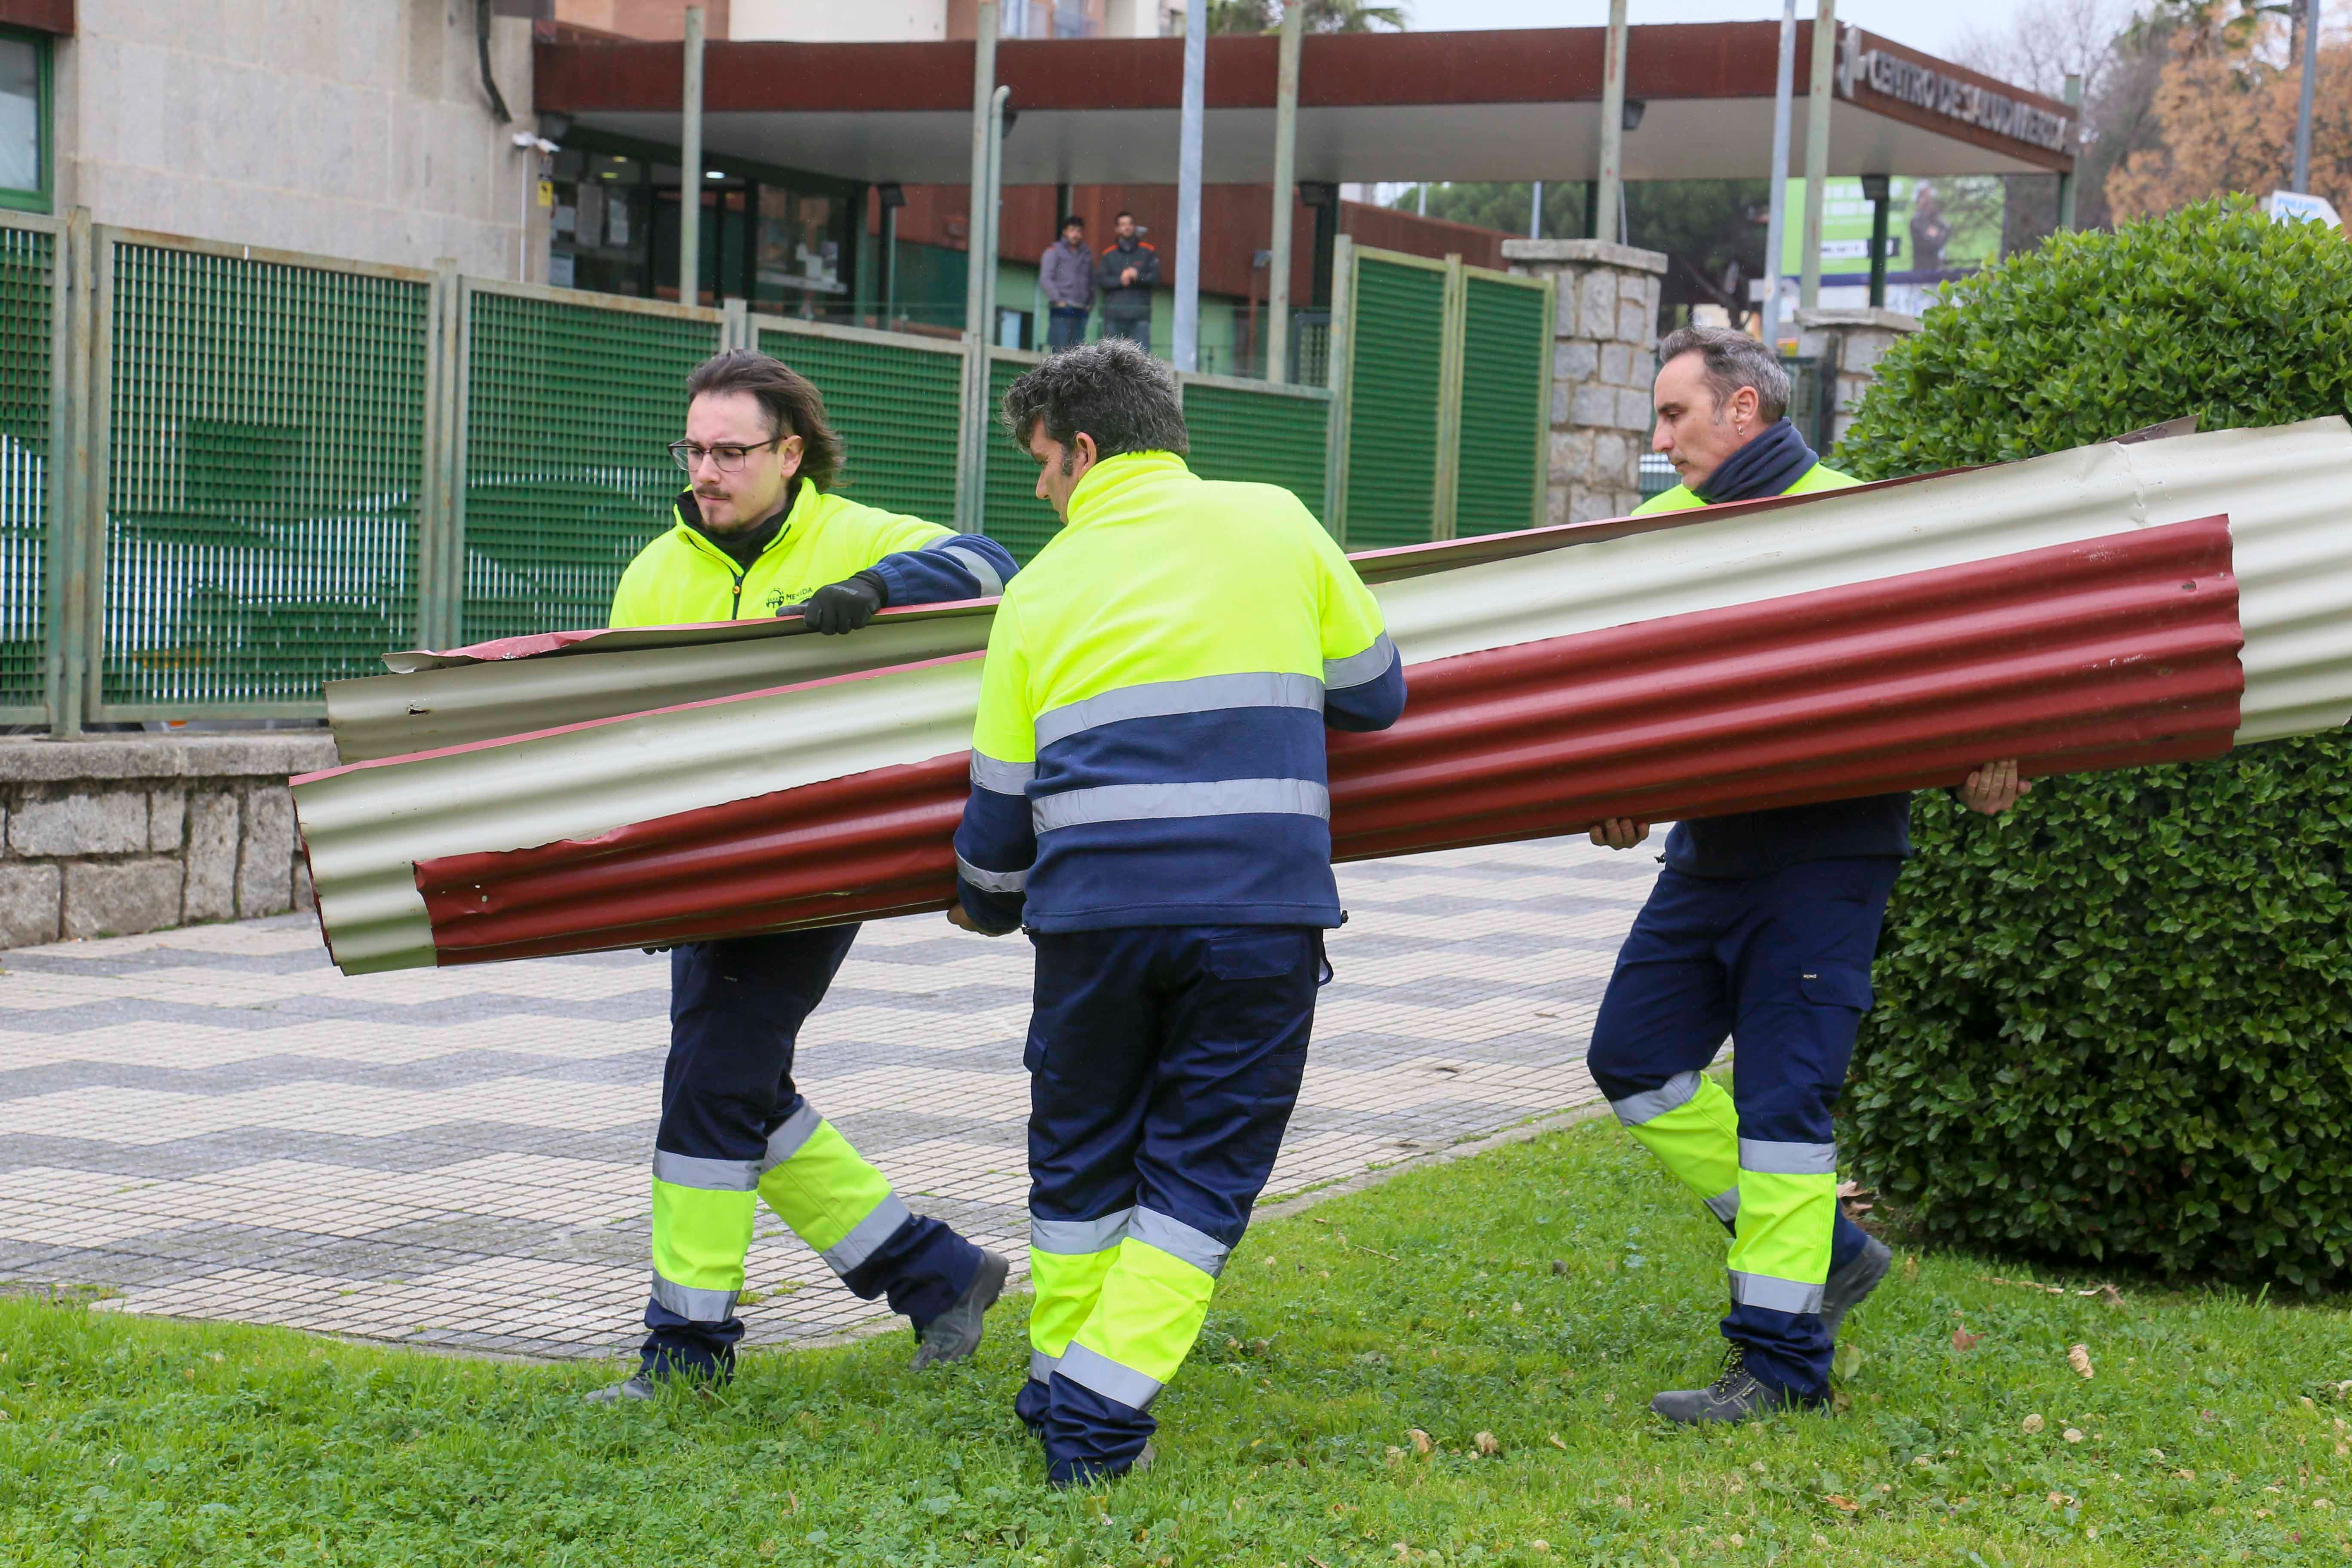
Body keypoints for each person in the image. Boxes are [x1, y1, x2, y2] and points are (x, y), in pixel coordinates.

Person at [948, 338, 1405, 1485]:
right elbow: (1378, 695)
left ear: (1087, 450)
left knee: (1081, 1160)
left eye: (1045, 468)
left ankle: (1065, 1383)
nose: (1043, 491)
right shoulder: (1276, 520)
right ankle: (1097, 1414)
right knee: (1201, 1173)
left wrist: (987, 904)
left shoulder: (1040, 589)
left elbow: (1000, 798)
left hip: (1093, 923)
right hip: (1258, 914)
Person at [1586, 325, 2029, 1424]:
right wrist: (1612, 787)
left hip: (1829, 857)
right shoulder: (1657, 532)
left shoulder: (1857, 518)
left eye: (1674, 415)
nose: (1659, 438)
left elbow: (1958, 656)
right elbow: (1628, 694)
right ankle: (1825, 1250)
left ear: (1743, 411)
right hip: (1710, 852)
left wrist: (1988, 750)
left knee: (1783, 1106)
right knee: (1633, 1057)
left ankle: (1780, 1366)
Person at [590, 349, 1021, 1402]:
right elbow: (614, 729)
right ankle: (937, 1273)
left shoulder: (849, 531)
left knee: (708, 1085)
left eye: (730, 451)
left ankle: (686, 1350)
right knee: (737, 1087)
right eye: (693, 448)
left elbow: (995, 565)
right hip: (702, 867)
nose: (706, 469)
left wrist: (877, 589)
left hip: (813, 866)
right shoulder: (656, 572)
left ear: (789, 453)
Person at [1093, 211, 1160, 351]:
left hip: (1140, 316)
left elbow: (1155, 278)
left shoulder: (1148, 251)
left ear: (1134, 227)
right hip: (1114, 316)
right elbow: (1101, 280)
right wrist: (1120, 280)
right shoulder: (1109, 254)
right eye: (1123, 225)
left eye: (1130, 224)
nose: (1127, 228)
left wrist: (1137, 276)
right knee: (1111, 359)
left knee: (1141, 362)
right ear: (1117, 229)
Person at [1040, 214, 1095, 352]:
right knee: (1059, 354)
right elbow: (1046, 278)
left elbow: (1091, 280)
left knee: (1077, 355)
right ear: (1065, 232)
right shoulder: (1054, 251)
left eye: (1079, 231)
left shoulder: (1087, 253)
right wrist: (1058, 300)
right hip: (1062, 310)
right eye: (1072, 230)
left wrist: (1090, 304)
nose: (1076, 235)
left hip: (1081, 311)